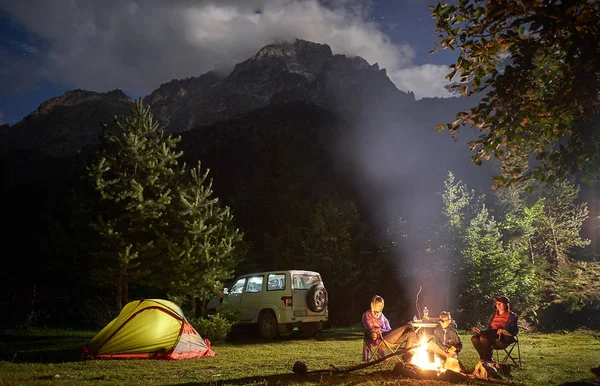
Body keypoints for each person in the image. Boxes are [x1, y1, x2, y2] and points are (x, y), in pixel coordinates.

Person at [362, 295, 417, 361]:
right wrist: (380, 331)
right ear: (373, 305)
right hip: (381, 339)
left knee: (411, 333)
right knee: (409, 326)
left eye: (381, 305)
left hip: (388, 336)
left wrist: (384, 330)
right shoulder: (367, 314)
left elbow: (388, 328)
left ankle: (407, 357)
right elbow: (370, 328)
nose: (380, 307)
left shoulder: (382, 316)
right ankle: (416, 345)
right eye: (378, 305)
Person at [471, 295, 518, 363]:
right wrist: (480, 331)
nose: (498, 305)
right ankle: (483, 359)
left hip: (502, 337)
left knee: (483, 337)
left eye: (500, 304)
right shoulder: (494, 315)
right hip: (491, 333)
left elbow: (514, 332)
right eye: (496, 304)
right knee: (474, 338)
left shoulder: (512, 316)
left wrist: (503, 331)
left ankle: (488, 359)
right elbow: (489, 330)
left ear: (506, 304)